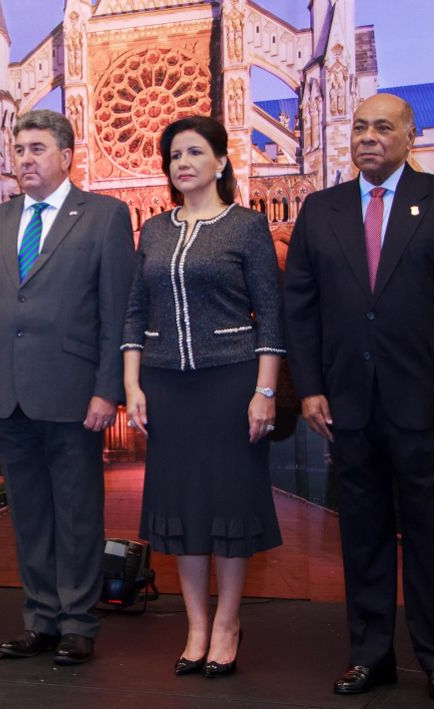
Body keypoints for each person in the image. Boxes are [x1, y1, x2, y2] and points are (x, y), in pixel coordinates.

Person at [283, 93, 434, 703]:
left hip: (429, 407)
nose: (367, 137)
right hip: (347, 405)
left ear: (409, 136)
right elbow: (301, 310)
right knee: (363, 537)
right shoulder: (320, 210)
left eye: (382, 127)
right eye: (358, 127)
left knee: (432, 535)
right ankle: (370, 655)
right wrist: (312, 388)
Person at [0, 108, 135, 665]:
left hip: (75, 393)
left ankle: (79, 623)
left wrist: (109, 390)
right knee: (30, 513)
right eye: (19, 149)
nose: (24, 158)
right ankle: (40, 620)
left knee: (78, 513)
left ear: (66, 155)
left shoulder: (104, 216)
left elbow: (117, 311)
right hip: (7, 392)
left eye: (36, 148)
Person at [122, 116, 284, 678]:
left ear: (220, 161)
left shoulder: (247, 227)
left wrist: (265, 392)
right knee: (184, 507)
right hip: (167, 383)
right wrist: (131, 382)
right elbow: (135, 311)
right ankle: (194, 624)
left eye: (193, 152)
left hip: (231, 382)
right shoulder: (155, 231)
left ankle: (228, 623)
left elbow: (271, 317)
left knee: (229, 507)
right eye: (172, 156)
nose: (181, 163)